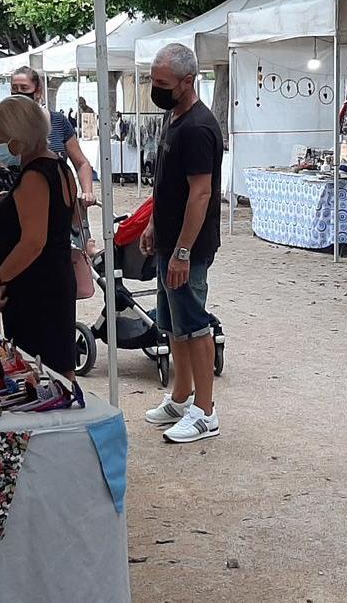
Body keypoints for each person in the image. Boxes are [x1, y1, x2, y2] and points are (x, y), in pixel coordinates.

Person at [141, 43, 224, 444]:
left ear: (187, 82)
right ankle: (180, 396)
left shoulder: (197, 127)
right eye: (154, 80)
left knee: (193, 325)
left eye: (162, 83)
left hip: (187, 247)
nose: (155, 88)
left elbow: (201, 193)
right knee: (173, 324)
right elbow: (167, 183)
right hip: (169, 241)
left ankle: (206, 412)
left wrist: (183, 251)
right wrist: (154, 225)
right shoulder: (174, 117)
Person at [0, 95, 77, 379]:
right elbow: (66, 218)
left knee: (39, 371)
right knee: (58, 368)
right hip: (53, 279)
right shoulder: (60, 166)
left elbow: (33, 241)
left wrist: (1, 278)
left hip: (36, 286)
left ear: (18, 137)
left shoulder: (35, 176)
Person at [9, 67, 96, 207]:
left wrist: (87, 192)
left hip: (58, 202)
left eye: (24, 88)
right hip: (17, 203)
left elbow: (81, 163)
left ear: (38, 92)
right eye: (14, 88)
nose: (18, 93)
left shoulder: (58, 121)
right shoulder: (4, 124)